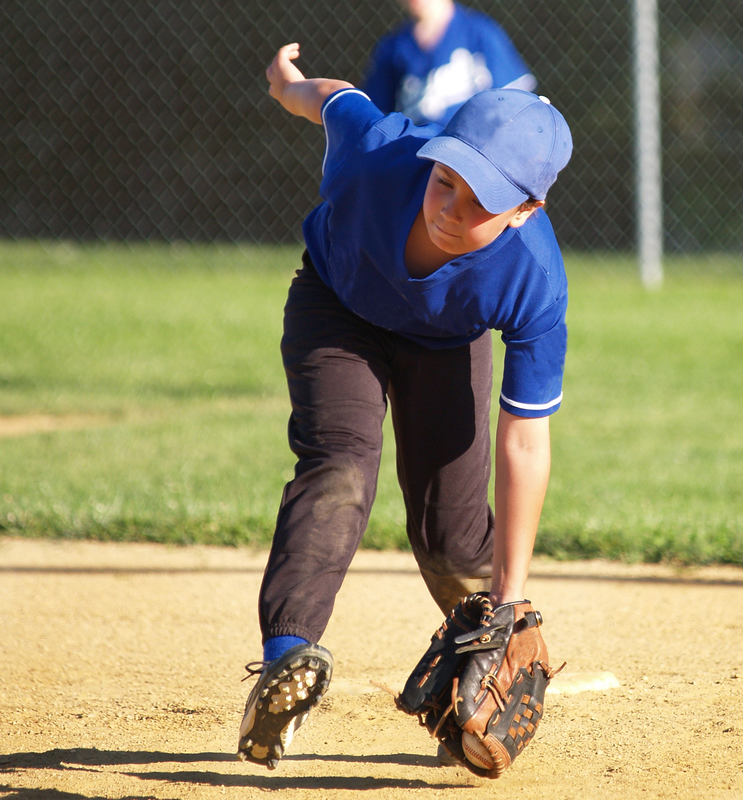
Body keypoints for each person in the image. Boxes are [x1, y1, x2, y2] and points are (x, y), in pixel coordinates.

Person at [237, 43, 572, 771]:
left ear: (525, 211)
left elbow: (524, 442)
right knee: (341, 466)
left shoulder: (532, 280)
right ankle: (287, 660)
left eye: (481, 199)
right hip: (339, 307)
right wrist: (287, 84)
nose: (451, 207)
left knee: (451, 535)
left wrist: (510, 601)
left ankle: (480, 657)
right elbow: (336, 100)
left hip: (445, 341)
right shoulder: (381, 158)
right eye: (447, 179)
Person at [362, 0, 536, 126]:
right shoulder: (393, 47)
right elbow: (376, 115)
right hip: (420, 155)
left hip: (474, 153)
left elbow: (516, 105)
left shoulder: (480, 32)